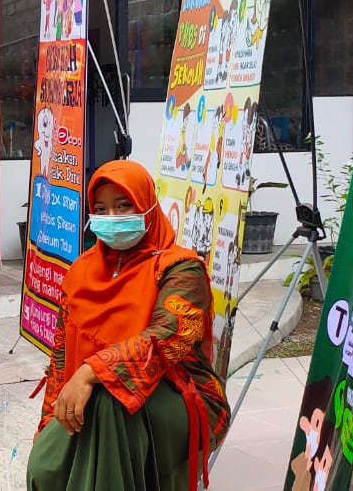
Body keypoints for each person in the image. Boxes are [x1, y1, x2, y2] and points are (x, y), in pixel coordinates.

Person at [26, 160, 231, 491]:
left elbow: (167, 337)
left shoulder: (180, 269)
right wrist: (49, 420)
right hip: (94, 396)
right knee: (45, 467)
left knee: (110, 401)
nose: (112, 217)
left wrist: (91, 372)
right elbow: (61, 356)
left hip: (179, 395)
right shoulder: (80, 272)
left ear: (147, 206)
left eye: (124, 206)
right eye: (101, 209)